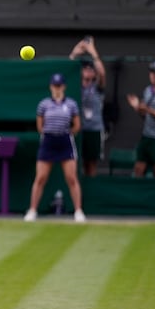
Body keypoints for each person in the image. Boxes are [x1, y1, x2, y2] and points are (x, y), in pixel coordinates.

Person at [24, 73, 85, 222]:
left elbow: (77, 125)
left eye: (59, 85)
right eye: (54, 85)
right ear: (51, 87)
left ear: (63, 87)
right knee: (40, 178)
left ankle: (78, 211)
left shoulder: (71, 104)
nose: (57, 88)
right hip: (48, 142)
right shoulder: (44, 104)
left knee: (71, 178)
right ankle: (32, 211)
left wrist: (69, 133)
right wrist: (48, 133)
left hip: (65, 142)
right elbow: (40, 125)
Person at [69, 36, 106, 177]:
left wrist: (92, 51)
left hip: (94, 129)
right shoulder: (75, 85)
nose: (89, 71)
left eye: (91, 69)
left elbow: (102, 73)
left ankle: (91, 192)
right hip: (78, 129)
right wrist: (74, 53)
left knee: (91, 164)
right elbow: (66, 70)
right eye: (86, 68)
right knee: (76, 163)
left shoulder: (97, 87)